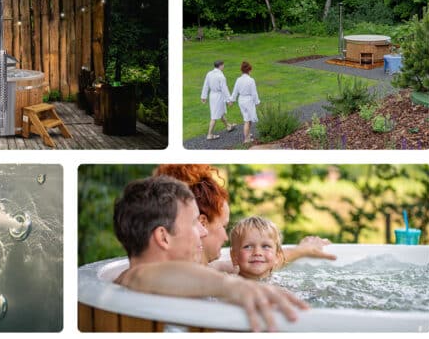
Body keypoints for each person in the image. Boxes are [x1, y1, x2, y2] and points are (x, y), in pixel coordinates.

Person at [112, 175, 308, 332]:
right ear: (163, 237)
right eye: (194, 222)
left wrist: (301, 251)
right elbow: (147, 275)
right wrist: (232, 285)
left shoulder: (193, 279)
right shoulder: (135, 277)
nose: (203, 231)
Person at [152, 164, 336, 274]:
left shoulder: (214, 269)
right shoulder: (183, 277)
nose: (225, 237)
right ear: (201, 224)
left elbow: (264, 262)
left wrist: (302, 250)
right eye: (223, 226)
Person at [200, 60, 235, 140]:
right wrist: (229, 100)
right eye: (223, 65)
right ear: (220, 66)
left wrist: (204, 96)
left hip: (212, 95)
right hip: (218, 97)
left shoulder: (209, 74)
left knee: (221, 112)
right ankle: (209, 134)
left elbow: (206, 85)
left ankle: (228, 126)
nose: (224, 67)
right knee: (214, 116)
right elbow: (224, 89)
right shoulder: (221, 76)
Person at [228, 61, 260, 143]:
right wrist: (257, 102)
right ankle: (246, 139)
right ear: (249, 70)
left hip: (241, 100)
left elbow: (235, 92)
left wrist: (231, 100)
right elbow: (254, 93)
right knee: (247, 120)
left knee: (247, 118)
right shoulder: (251, 80)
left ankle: (248, 135)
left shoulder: (238, 80)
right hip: (248, 101)